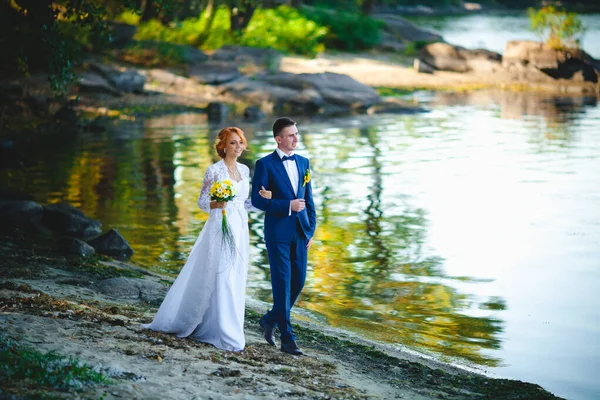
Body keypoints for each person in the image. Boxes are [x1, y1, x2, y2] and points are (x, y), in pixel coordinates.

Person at [142, 126, 269, 352]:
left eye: (240, 142)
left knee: (236, 275)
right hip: (220, 226)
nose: (238, 146)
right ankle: (225, 333)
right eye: (233, 143)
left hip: (239, 228)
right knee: (223, 275)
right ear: (223, 146)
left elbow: (244, 204)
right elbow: (202, 202)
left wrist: (263, 200)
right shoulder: (214, 171)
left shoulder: (245, 170)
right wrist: (216, 203)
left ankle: (221, 325)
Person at [251, 117, 317, 355]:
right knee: (281, 283)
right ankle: (288, 338)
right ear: (278, 139)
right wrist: (287, 205)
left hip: (301, 232)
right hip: (277, 232)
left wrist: (310, 230)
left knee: (298, 281)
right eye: (291, 135)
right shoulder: (265, 164)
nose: (296, 138)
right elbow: (258, 200)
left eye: (297, 134)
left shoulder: (303, 162)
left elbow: (309, 200)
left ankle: (270, 319)